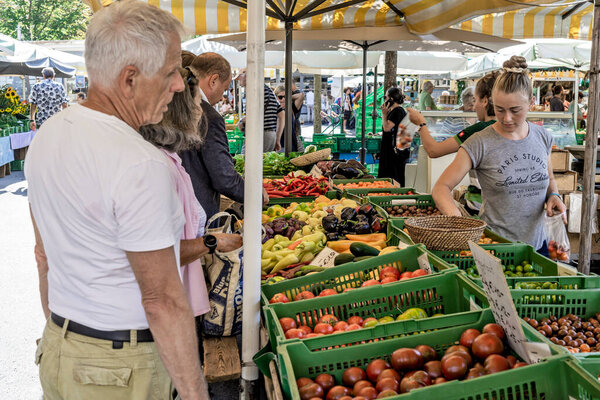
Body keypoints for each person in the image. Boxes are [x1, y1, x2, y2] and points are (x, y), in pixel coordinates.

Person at [26, 1, 209, 398]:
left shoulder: (48, 135)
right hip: (120, 367)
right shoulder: (139, 162)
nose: (179, 84)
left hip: (60, 347)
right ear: (129, 79)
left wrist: (68, 335)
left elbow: (42, 256)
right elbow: (161, 300)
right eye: (170, 71)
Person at [432, 56, 567, 253]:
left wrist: (554, 194)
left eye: (515, 110)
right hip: (495, 249)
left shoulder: (543, 137)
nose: (507, 118)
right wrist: (460, 224)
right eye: (499, 109)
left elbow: (550, 178)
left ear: (531, 102)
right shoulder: (479, 143)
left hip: (539, 248)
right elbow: (441, 188)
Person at [139, 66, 242, 318]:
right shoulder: (156, 167)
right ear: (182, 112)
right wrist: (212, 242)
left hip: (175, 301)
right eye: (197, 104)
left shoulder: (170, 160)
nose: (201, 112)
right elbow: (157, 252)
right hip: (163, 309)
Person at [180, 52, 267, 221]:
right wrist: (255, 195)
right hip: (197, 211)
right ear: (213, 80)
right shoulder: (208, 116)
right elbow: (224, 178)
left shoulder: (178, 106)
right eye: (225, 89)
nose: (222, 97)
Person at [413, 72, 500, 158]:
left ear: (485, 101)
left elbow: (434, 150)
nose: (474, 107)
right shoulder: (505, 127)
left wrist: (421, 123)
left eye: (476, 100)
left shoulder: (478, 129)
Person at [235, 68, 284, 152]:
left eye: (239, 77)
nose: (238, 80)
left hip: (259, 134)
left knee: (245, 162)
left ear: (247, 76)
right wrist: (277, 138)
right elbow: (282, 115)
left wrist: (241, 121)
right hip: (269, 134)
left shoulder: (255, 90)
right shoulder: (267, 90)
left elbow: (253, 115)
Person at [378, 87, 410, 186]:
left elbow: (387, 127)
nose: (384, 99)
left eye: (385, 97)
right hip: (395, 150)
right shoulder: (398, 111)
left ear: (391, 99)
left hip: (393, 152)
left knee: (392, 177)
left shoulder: (397, 111)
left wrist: (384, 114)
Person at [274, 85, 303, 152]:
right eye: (280, 97)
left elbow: (301, 95)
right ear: (275, 97)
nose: (283, 99)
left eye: (285, 97)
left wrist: (289, 97)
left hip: (291, 146)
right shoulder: (273, 109)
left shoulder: (291, 108)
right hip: (276, 146)